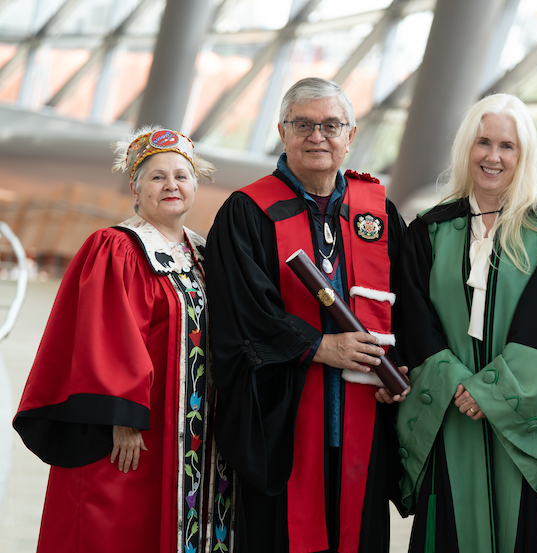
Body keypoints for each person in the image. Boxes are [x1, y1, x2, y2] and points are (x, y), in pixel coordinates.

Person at [205, 77, 408, 553]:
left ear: (351, 135)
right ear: (282, 131)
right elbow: (241, 308)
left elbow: (411, 300)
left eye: (331, 125)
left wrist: (401, 365)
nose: (318, 136)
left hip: (363, 415)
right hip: (286, 416)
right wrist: (318, 346)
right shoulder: (248, 211)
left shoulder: (377, 212)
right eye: (303, 125)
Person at [14, 127, 234, 552]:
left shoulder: (205, 254)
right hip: (133, 433)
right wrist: (124, 417)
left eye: (181, 176)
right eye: (157, 177)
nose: (171, 185)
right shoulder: (118, 247)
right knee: (116, 529)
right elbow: (105, 336)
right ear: (135, 187)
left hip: (193, 433)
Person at [395, 93, 537, 553]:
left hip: (522, 416)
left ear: (525, 154)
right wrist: (458, 384)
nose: (493, 157)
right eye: (483, 143)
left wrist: (491, 392)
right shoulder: (429, 229)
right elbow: (413, 317)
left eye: (507, 146)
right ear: (467, 148)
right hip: (449, 408)